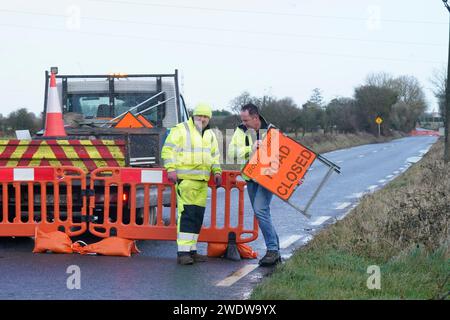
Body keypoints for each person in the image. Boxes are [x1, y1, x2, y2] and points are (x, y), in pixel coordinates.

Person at [161, 103, 222, 265]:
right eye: (199, 116)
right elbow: (168, 151)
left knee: (196, 216)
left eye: (205, 116)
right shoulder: (181, 129)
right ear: (193, 116)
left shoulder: (210, 134)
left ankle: (192, 251)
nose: (202, 119)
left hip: (202, 182)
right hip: (185, 180)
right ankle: (183, 253)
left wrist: (217, 171)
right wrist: (171, 169)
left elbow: (214, 156)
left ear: (209, 118)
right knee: (187, 215)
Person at [228, 103, 281, 267]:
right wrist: (249, 148)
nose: (244, 123)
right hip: (250, 178)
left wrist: (292, 177)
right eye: (242, 120)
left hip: (267, 178)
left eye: (246, 120)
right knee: (262, 213)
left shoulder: (272, 131)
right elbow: (231, 154)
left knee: (260, 210)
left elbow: (283, 157)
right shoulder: (240, 130)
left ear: (256, 117)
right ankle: (276, 250)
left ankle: (272, 250)